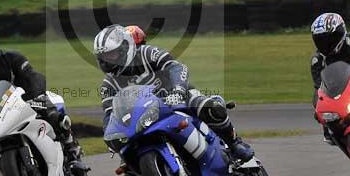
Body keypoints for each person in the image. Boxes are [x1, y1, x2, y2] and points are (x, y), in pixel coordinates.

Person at [93, 24, 254, 161]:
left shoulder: (147, 53)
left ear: (124, 49)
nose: (108, 60)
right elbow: (110, 115)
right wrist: (111, 138)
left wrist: (177, 90)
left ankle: (235, 143)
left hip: (177, 96)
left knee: (209, 107)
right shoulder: (108, 85)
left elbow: (177, 68)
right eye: (104, 57)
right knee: (126, 158)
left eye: (111, 54)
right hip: (145, 115)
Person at [0, 28, 87, 173]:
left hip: (27, 98)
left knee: (53, 115)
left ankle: (71, 149)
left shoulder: (12, 58)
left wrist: (38, 96)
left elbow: (32, 77)